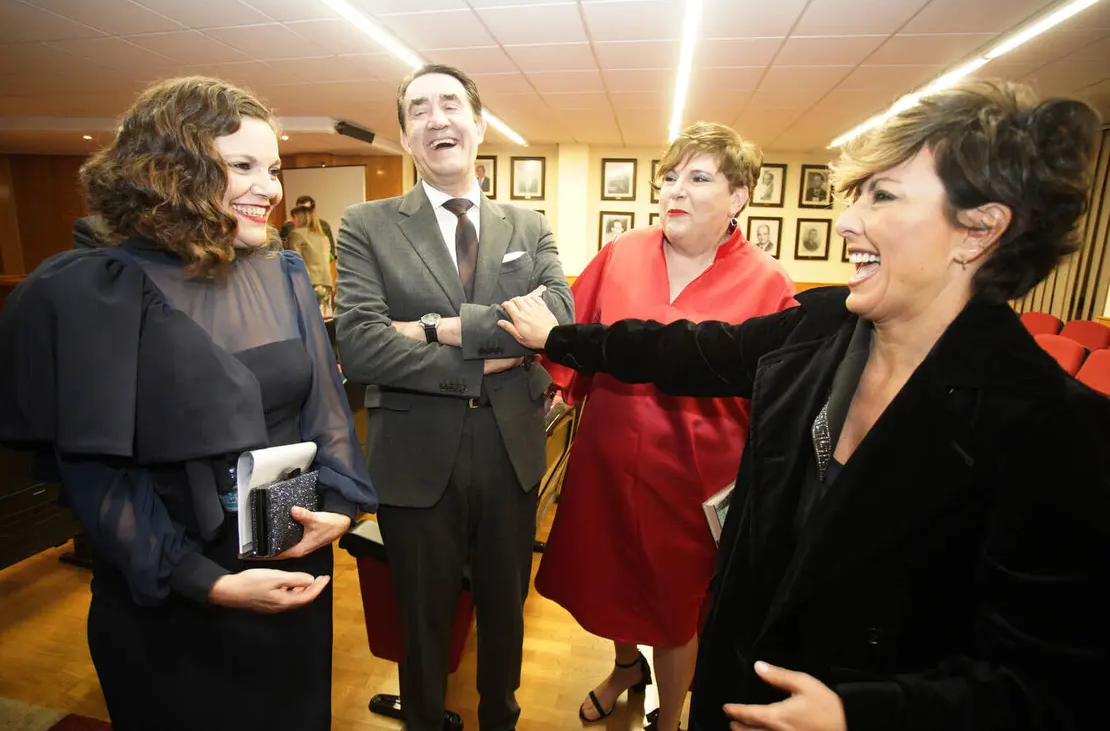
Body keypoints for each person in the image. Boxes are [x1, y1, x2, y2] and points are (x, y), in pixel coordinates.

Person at [497, 80, 1109, 731]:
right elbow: (685, 350)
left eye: (884, 195)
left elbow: (1050, 689)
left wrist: (859, 715)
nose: (847, 222)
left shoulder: (1059, 433)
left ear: (979, 230)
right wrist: (559, 337)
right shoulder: (818, 332)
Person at [0, 76, 377, 731]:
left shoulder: (282, 271)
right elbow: (100, 478)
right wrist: (209, 582)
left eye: (274, 168)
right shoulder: (99, 288)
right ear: (173, 170)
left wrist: (339, 510)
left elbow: (326, 413)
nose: (271, 187)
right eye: (244, 166)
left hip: (291, 569)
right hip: (172, 595)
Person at [532, 122, 795, 731]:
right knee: (609, 582)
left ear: (739, 197)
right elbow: (573, 339)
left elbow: (777, 396)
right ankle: (627, 667)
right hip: (605, 459)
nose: (675, 189)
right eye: (670, 177)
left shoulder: (769, 282)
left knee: (677, 610)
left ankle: (670, 719)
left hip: (696, 482)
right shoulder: (622, 253)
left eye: (698, 177)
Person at [334, 63, 573, 731]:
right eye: (418, 110)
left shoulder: (528, 226)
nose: (437, 119)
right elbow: (361, 346)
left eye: (450, 104)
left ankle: (500, 716)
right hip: (414, 459)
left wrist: (441, 328)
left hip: (511, 452)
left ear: (479, 122)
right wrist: (492, 351)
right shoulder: (366, 224)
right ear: (406, 137)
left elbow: (555, 319)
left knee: (505, 616)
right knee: (420, 619)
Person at [287, 204, 334, 316]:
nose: (291, 221)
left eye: (293, 217)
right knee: (325, 321)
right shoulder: (323, 236)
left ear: (300, 217)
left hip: (308, 283)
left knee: (308, 322)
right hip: (326, 283)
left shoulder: (296, 234)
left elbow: (295, 261)